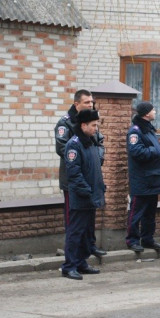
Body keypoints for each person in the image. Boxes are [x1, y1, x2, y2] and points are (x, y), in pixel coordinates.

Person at [54, 89, 106, 258]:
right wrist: (85, 158)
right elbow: (62, 148)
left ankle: (89, 246)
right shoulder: (65, 123)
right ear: (76, 104)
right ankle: (72, 255)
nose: (90, 105)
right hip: (74, 180)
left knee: (89, 216)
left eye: (92, 102)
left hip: (91, 177)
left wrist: (96, 158)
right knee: (74, 219)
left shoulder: (91, 120)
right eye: (86, 102)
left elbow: (99, 143)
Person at [61, 109, 105, 280]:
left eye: (96, 125)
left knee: (87, 233)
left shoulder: (90, 142)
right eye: (93, 125)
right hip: (81, 197)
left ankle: (81, 263)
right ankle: (69, 266)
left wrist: (100, 187)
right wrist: (87, 191)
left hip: (91, 196)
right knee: (76, 232)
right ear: (83, 125)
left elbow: (94, 169)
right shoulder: (74, 144)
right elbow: (74, 173)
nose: (96, 128)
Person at [125, 101, 160, 252]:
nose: (155, 112)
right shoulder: (135, 131)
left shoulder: (148, 129)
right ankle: (132, 240)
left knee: (150, 213)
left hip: (153, 178)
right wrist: (156, 151)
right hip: (141, 180)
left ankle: (148, 239)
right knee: (136, 212)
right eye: (153, 110)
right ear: (147, 113)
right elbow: (137, 152)